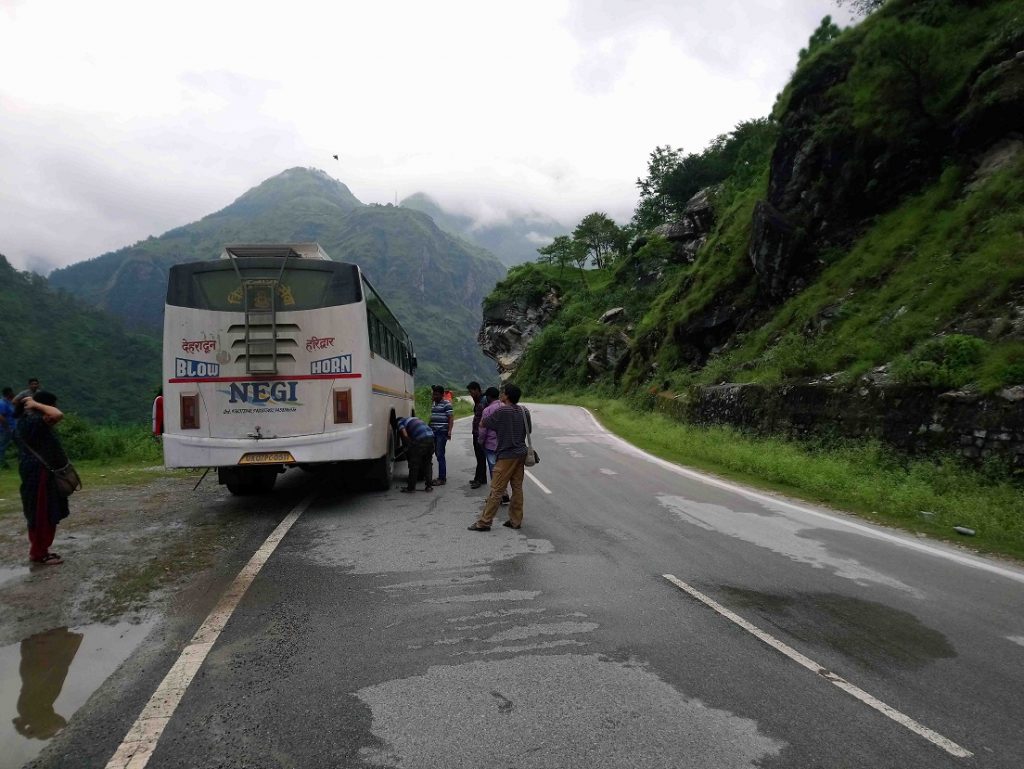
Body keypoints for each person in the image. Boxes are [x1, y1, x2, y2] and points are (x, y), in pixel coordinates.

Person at [15, 391, 70, 564]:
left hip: (37, 471)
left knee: (43, 511)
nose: (53, 408)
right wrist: (35, 403)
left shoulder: (29, 421)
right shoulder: (34, 421)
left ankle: (41, 550)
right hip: (38, 473)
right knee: (42, 513)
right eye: (51, 404)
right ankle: (39, 554)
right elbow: (57, 414)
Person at [468, 383, 532, 532]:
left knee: (496, 489)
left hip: (506, 455)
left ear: (507, 396)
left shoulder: (502, 411)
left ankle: (484, 522)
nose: (501, 394)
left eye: (503, 392)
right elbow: (529, 429)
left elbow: (484, 423)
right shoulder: (525, 411)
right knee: (517, 488)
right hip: (521, 453)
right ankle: (515, 521)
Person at [477, 387, 510, 504]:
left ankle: (495, 496)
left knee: (494, 470)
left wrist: (480, 441)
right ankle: (504, 492)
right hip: (505, 445)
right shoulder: (506, 407)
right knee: (503, 470)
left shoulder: (487, 410)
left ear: (489, 397)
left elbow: (483, 429)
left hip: (491, 445)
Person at [396, 415, 436, 493]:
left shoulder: (400, 422)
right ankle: (429, 486)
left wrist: (407, 446)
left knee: (414, 464)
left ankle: (411, 488)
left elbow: (405, 435)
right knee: (427, 463)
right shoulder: (414, 419)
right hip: (431, 437)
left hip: (421, 439)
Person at [429, 384, 453, 485]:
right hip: (433, 431)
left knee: (440, 455)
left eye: (437, 394)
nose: (435, 396)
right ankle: (439, 477)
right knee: (435, 454)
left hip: (441, 432)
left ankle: (442, 478)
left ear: (442, 394)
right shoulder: (434, 403)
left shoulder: (446, 404)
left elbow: (451, 418)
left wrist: (449, 431)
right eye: (434, 394)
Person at [468, 381, 488, 489]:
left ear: (476, 390)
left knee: (480, 456)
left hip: (480, 433)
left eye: (471, 391)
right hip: (477, 432)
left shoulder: (483, 401)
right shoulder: (479, 400)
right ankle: (481, 478)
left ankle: (479, 480)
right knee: (479, 456)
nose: (470, 394)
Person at [0, 387, 15, 469]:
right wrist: (7, 427)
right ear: (9, 393)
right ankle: (2, 463)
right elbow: (1, 416)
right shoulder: (2, 403)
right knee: (2, 446)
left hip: (12, 428)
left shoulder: (8, 402)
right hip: (5, 429)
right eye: (11, 392)